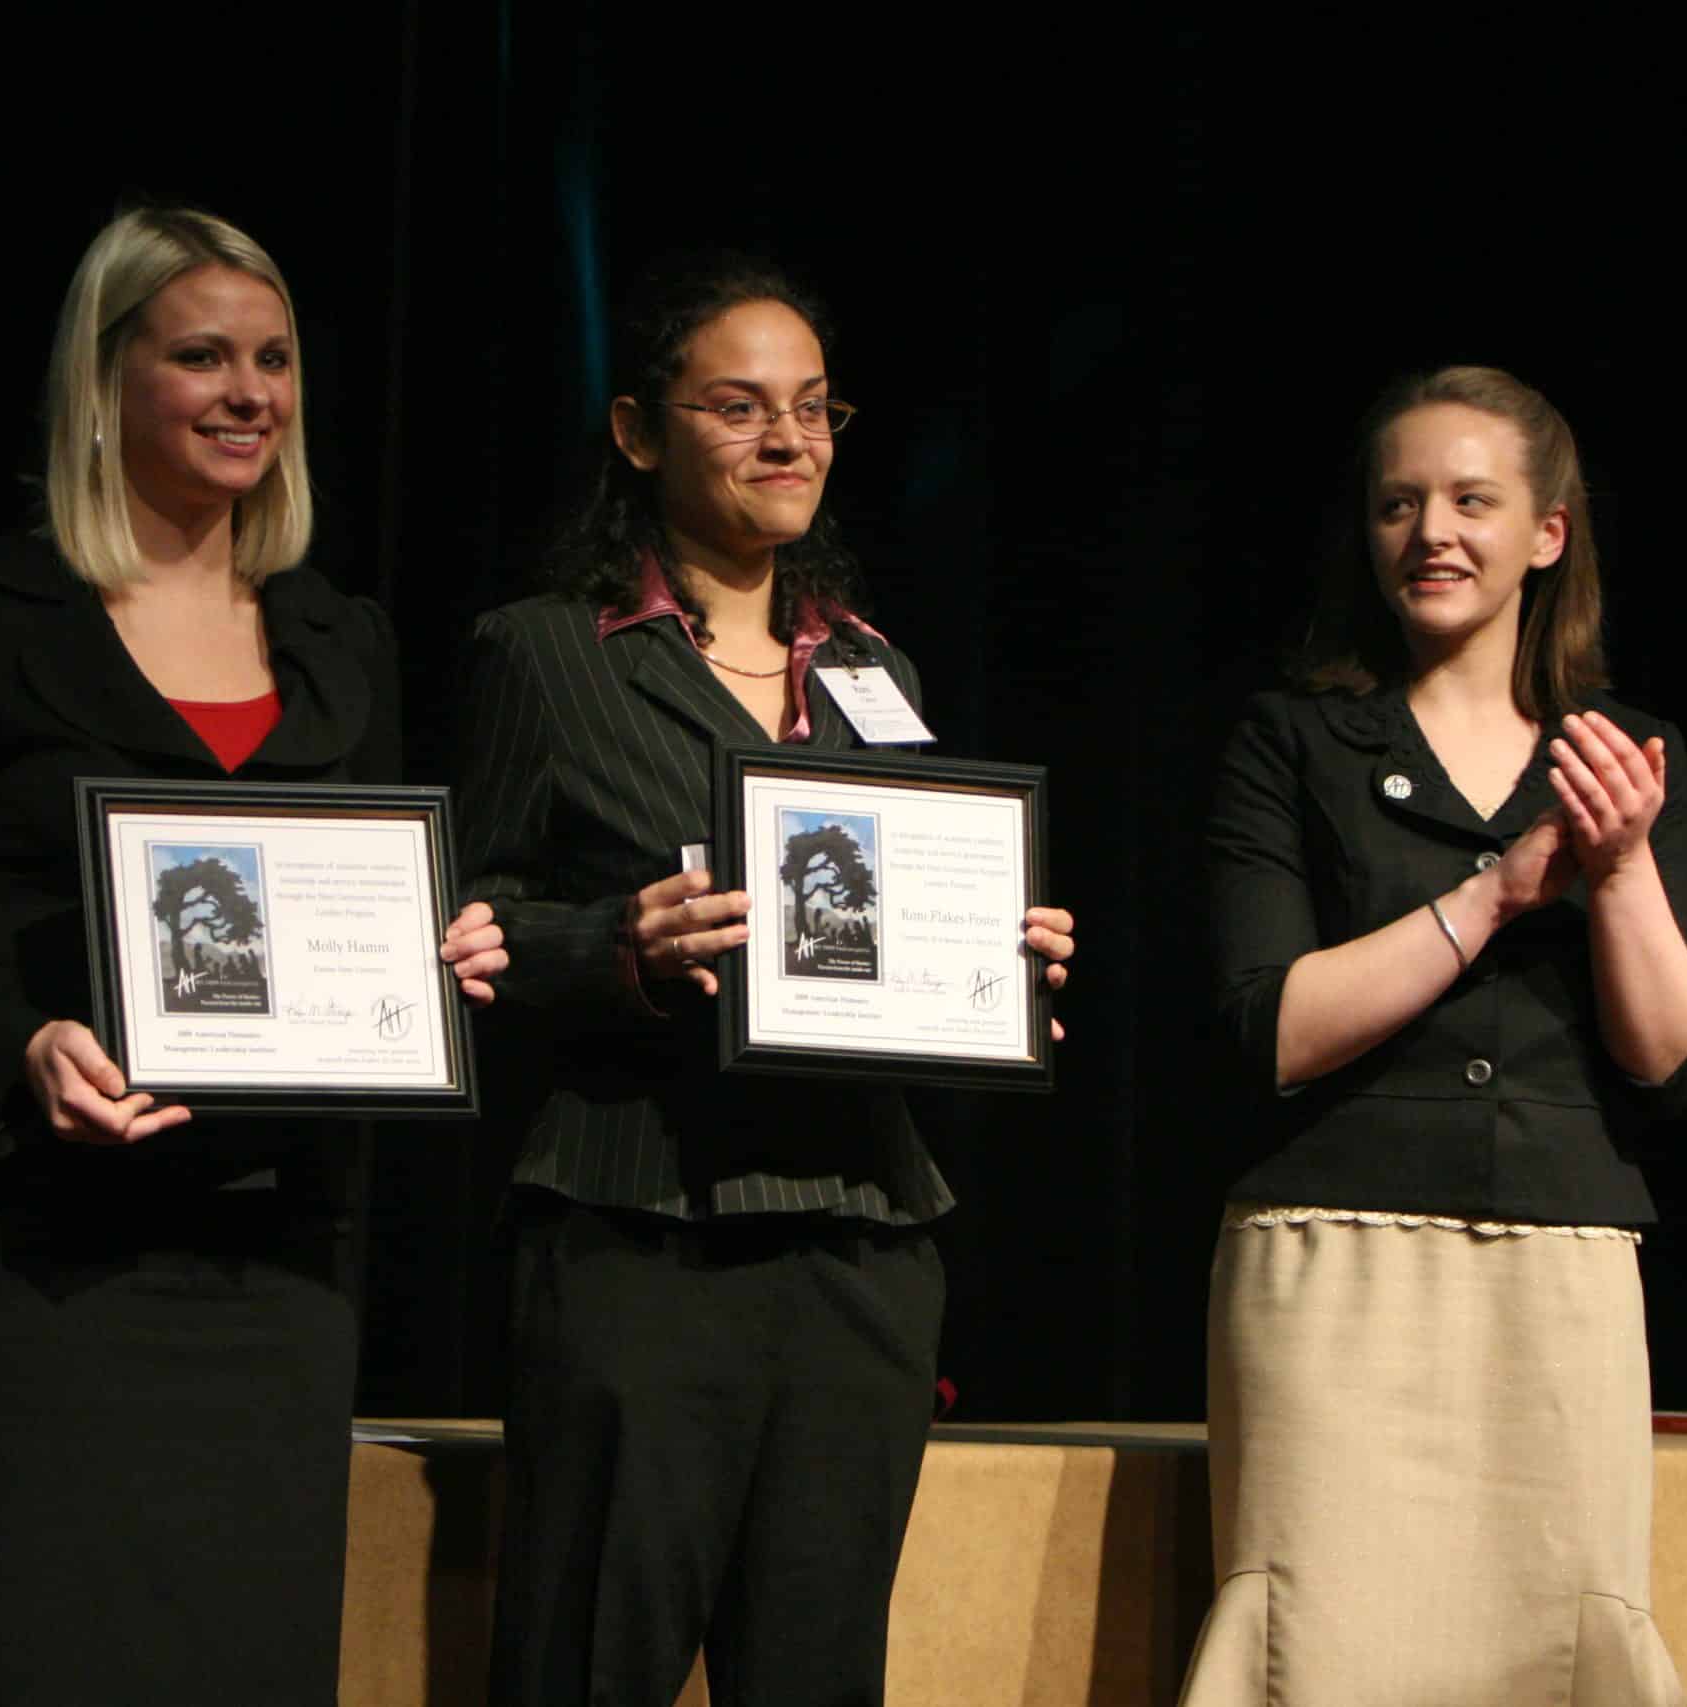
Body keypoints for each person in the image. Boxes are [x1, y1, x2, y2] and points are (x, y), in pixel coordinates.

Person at [0, 205, 477, 1706]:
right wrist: (13, 1046)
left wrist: (446, 950)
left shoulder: (338, 640)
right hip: (34, 1281)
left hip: (277, 1273)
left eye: (276, 360)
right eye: (202, 357)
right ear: (103, 385)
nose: (250, 394)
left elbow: (367, 914)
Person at [437, 252, 1076, 1707]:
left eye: (813, 408)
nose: (789, 440)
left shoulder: (874, 669)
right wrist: (616, 947)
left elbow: (904, 903)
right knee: (592, 1660)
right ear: (638, 430)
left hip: (860, 1237)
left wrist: (1002, 961)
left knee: (818, 1672)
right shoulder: (547, 654)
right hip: (643, 1228)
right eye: (739, 406)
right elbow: (466, 914)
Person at [1180, 366, 1687, 1705]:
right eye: (1399, 504)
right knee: (1325, 1648)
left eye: (1474, 501)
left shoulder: (1630, 754)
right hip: (1332, 1270)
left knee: (1553, 1642)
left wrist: (1625, 864)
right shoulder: (1294, 743)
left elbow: (1674, 1061)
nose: (1434, 534)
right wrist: (1490, 897)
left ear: (1549, 531)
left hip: (1559, 1265)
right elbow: (1276, 1026)